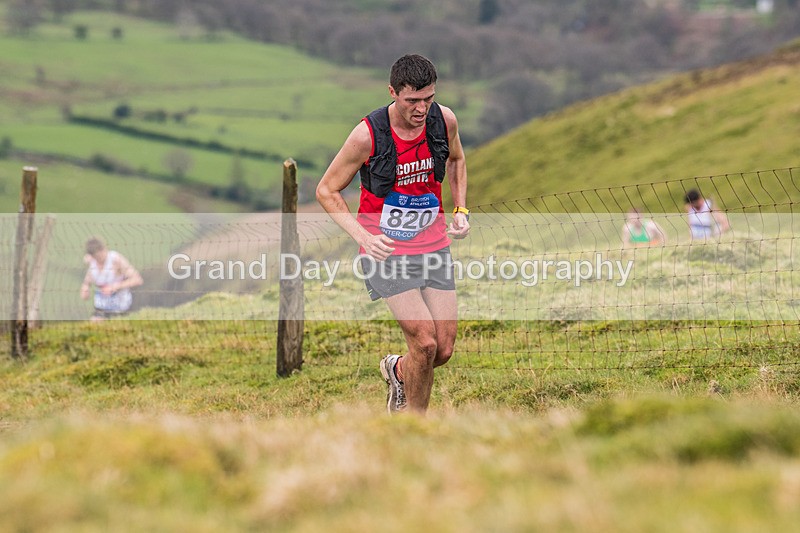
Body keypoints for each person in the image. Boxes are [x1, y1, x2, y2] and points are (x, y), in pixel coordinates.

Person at [316, 54, 470, 414]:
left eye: (428, 99)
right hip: (385, 252)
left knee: (443, 349)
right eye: (412, 100)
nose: (421, 109)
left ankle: (398, 370)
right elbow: (326, 190)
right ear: (392, 92)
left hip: (434, 246)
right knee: (425, 342)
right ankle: (413, 425)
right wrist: (364, 238)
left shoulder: (443, 120)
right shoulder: (366, 136)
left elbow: (457, 160)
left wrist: (461, 209)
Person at [80, 237, 143, 320]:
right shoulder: (91, 262)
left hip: (121, 307)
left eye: (101, 253)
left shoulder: (116, 260)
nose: (100, 257)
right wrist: (85, 287)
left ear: (104, 248)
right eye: (96, 257)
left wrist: (115, 287)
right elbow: (87, 283)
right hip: (101, 307)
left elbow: (137, 280)